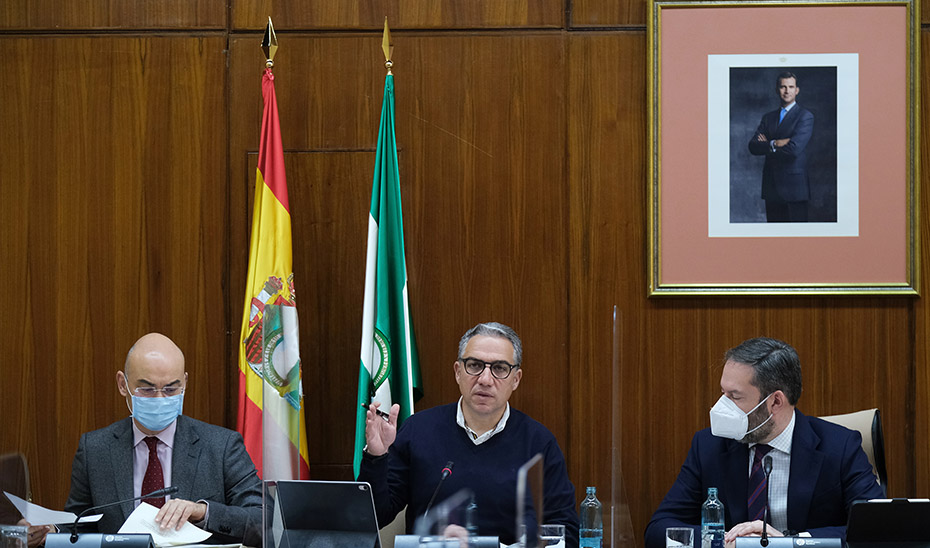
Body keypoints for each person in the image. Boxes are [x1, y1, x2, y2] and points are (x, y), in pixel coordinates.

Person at [644, 337, 883, 548]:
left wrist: (789, 541)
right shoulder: (709, 446)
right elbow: (658, 529)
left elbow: (876, 530)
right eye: (723, 393)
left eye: (734, 397)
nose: (721, 407)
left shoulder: (839, 447)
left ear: (775, 402)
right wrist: (726, 541)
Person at [359, 322, 579, 546]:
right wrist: (377, 457)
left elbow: (566, 532)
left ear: (516, 379)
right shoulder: (418, 430)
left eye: (500, 368)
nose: (485, 379)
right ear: (458, 372)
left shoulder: (539, 443)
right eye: (474, 365)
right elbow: (372, 517)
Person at [63, 333, 263, 546]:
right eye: (147, 389)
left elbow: (263, 521)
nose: (160, 398)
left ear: (184, 383)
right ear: (123, 384)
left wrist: (202, 512)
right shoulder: (95, 449)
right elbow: (77, 525)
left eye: (170, 389)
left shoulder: (222, 446)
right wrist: (49, 530)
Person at [748, 72, 815, 222]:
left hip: (795, 190)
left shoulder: (805, 116)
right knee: (774, 239)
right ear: (777, 89)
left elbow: (793, 150)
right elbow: (753, 146)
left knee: (797, 240)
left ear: (797, 90)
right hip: (771, 188)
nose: (787, 91)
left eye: (791, 87)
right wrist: (775, 143)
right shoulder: (768, 117)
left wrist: (766, 144)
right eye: (783, 87)